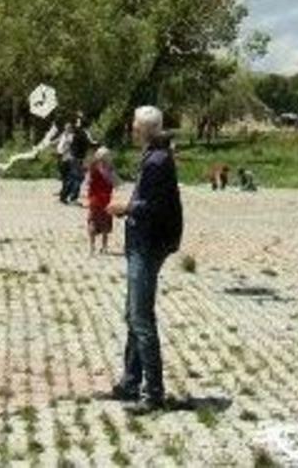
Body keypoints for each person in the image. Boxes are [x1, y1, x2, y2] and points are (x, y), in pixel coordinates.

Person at [109, 105, 183, 411]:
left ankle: (153, 393)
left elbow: (151, 206)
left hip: (148, 243)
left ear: (145, 130)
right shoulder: (155, 155)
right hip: (145, 240)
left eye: (135, 126)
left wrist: (123, 208)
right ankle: (130, 382)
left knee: (141, 317)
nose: (132, 129)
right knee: (133, 314)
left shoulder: (156, 160)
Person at [86, 145, 117, 255]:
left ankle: (92, 247)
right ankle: (104, 247)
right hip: (106, 199)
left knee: (92, 221)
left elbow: (88, 181)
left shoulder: (93, 168)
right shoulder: (110, 169)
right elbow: (115, 182)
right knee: (105, 222)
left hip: (94, 199)